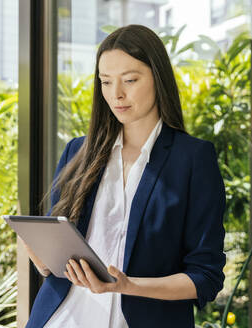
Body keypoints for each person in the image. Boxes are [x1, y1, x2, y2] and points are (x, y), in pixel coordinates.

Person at [22, 24, 226, 327]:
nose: (116, 94)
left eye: (130, 80)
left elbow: (205, 277)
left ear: (157, 77)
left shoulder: (193, 159)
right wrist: (39, 254)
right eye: (105, 82)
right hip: (61, 318)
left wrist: (127, 286)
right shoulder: (78, 152)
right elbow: (54, 261)